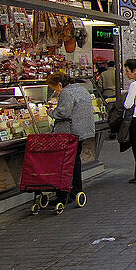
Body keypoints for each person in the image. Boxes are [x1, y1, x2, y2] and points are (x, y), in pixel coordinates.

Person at [48, 71, 94, 203]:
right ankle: (76, 189)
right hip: (82, 131)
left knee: (67, 162)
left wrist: (50, 112)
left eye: (55, 88)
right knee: (75, 161)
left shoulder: (66, 93)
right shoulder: (81, 89)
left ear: (60, 84)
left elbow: (63, 113)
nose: (56, 92)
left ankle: (65, 194)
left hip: (70, 131)